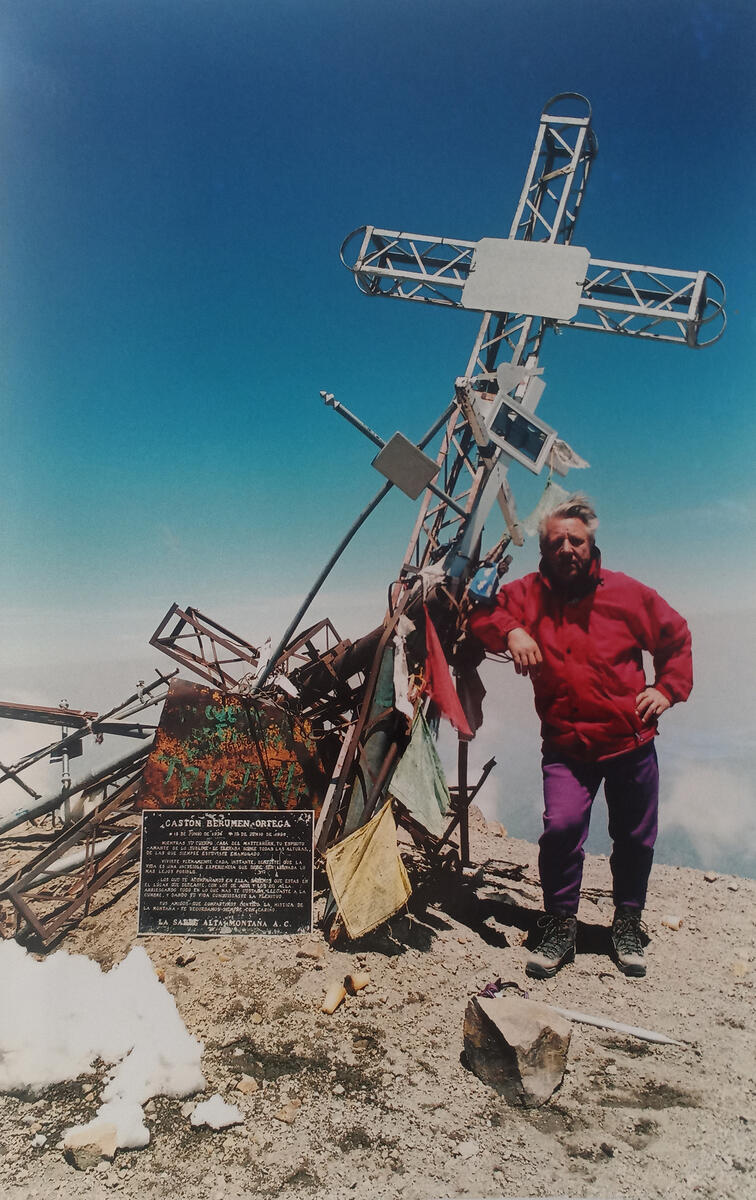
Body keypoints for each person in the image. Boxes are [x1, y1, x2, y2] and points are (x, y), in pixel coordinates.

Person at [467, 495, 692, 979]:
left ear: (592, 545)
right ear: (544, 552)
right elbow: (479, 613)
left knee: (633, 836)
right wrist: (511, 632)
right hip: (567, 746)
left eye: (577, 539)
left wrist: (667, 688)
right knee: (562, 830)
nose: (567, 548)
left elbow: (674, 637)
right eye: (556, 541)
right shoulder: (527, 594)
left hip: (630, 743)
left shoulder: (628, 594)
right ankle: (560, 924)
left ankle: (627, 922)